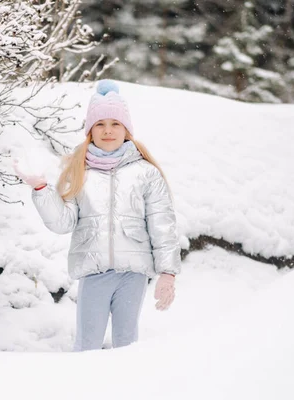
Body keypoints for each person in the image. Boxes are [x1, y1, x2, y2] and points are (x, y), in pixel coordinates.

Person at [13, 80, 181, 352]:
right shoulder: (79, 171)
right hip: (94, 273)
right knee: (87, 345)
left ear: (126, 128)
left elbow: (163, 225)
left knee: (127, 346)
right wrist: (41, 189)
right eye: (100, 124)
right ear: (90, 130)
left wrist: (168, 273)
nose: (107, 130)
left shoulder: (146, 173)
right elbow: (62, 222)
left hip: (132, 274)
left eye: (115, 123)